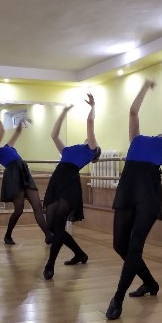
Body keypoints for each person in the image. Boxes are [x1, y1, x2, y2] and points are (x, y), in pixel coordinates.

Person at [106, 75, 162, 321]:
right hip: (127, 189)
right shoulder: (136, 140)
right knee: (120, 244)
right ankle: (149, 282)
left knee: (135, 245)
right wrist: (145, 87)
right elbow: (133, 112)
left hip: (148, 194)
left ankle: (117, 298)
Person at [42, 95, 101, 280]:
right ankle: (80, 254)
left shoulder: (90, 150)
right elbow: (53, 135)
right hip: (56, 182)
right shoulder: (67, 150)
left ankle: (50, 264)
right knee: (53, 226)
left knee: (59, 224)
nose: (89, 138)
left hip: (70, 184)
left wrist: (93, 106)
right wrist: (63, 112)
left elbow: (90, 123)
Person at [0, 117, 52, 245]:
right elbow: (1, 133)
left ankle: (48, 235)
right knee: (19, 210)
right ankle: (7, 235)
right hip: (13, 175)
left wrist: (20, 122)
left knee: (37, 206)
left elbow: (17, 133)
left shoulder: (6, 147)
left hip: (23, 172)